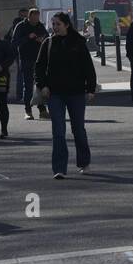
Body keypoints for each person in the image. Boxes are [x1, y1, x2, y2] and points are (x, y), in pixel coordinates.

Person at [34, 12, 97, 178]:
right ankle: (59, 168)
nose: (54, 27)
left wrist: (90, 89)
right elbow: (39, 67)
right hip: (55, 93)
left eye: (58, 24)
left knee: (78, 129)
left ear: (66, 25)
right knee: (58, 131)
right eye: (53, 24)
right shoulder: (48, 43)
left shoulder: (78, 42)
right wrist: (43, 85)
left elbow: (88, 67)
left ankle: (84, 162)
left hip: (76, 92)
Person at [12, 7, 49, 119]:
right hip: (26, 58)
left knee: (40, 84)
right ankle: (28, 111)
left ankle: (42, 109)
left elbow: (47, 38)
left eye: (37, 18)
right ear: (29, 17)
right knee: (28, 86)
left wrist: (42, 39)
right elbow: (14, 42)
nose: (36, 21)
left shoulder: (40, 26)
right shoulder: (21, 26)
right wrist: (28, 37)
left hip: (39, 59)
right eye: (34, 19)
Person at [8, 7, 30, 103]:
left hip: (24, 52)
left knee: (22, 74)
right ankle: (21, 95)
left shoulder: (18, 24)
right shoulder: (18, 25)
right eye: (23, 15)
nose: (24, 17)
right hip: (20, 52)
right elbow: (16, 40)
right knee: (22, 74)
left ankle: (21, 94)